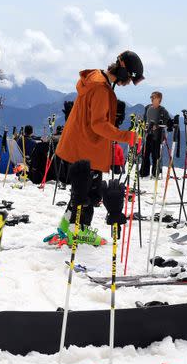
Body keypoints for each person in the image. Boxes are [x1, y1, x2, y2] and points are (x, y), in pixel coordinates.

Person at [55, 50, 143, 246]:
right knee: (88, 193)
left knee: (79, 190)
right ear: (121, 70)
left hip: (78, 145)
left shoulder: (94, 78)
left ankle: (65, 228)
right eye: (128, 78)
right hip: (87, 147)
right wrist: (128, 137)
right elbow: (98, 125)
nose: (127, 83)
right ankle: (80, 231)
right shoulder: (101, 88)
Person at [140, 91, 171, 178]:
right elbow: (144, 119)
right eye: (151, 97)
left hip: (158, 136)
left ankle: (155, 173)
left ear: (159, 99)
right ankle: (144, 173)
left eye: (153, 97)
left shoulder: (163, 110)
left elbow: (167, 121)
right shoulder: (147, 108)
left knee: (155, 155)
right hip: (147, 134)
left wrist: (157, 126)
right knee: (145, 153)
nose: (152, 98)